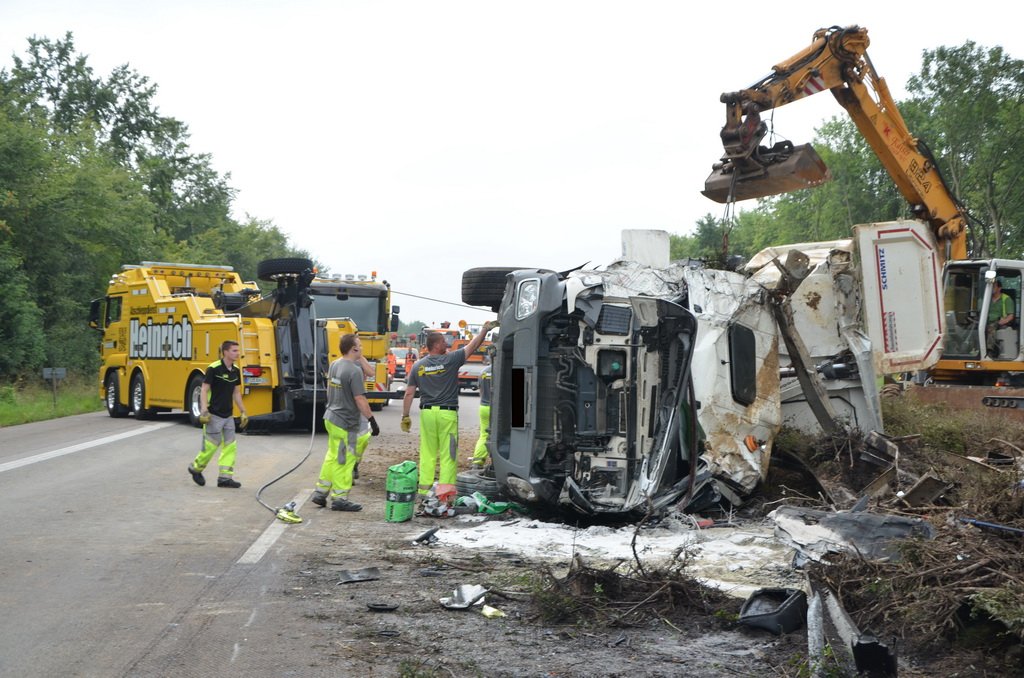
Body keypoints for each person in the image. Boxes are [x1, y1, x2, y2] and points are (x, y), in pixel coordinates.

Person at [402, 320, 497, 507]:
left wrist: (405, 415)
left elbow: (409, 392)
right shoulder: (450, 360)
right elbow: (473, 346)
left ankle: (424, 492)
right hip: (447, 414)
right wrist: (484, 330)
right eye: (444, 342)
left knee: (428, 453)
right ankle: (444, 496)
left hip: (427, 414)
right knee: (448, 454)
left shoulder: (418, 366)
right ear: (436, 345)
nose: (447, 344)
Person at [310, 334, 379, 512]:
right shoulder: (353, 371)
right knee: (345, 459)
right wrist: (371, 419)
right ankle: (340, 498)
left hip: (331, 417)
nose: (362, 348)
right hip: (345, 422)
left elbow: (329, 391)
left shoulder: (335, 365)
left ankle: (321, 492)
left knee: (332, 455)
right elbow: (360, 399)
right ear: (353, 349)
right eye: (360, 346)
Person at [189, 340, 248, 488]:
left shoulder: (235, 370)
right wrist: (204, 410)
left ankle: (225, 478)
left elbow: (236, 392)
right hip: (213, 414)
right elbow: (204, 389)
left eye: (237, 350)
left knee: (230, 445)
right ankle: (196, 468)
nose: (237, 353)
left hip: (228, 415)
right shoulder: (213, 368)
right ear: (226, 352)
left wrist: (243, 411)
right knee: (211, 445)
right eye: (234, 350)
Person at [471, 356, 493, 469]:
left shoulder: (483, 372)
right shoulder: (502, 370)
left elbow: (481, 391)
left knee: (484, 434)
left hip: (484, 406)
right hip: (497, 409)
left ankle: (477, 461)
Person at [987, 278, 1016, 357]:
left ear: (999, 288)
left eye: (994, 286)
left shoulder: (1007, 299)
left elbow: (1010, 316)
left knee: (991, 328)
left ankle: (989, 351)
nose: (991, 288)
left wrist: (1002, 321)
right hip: (986, 321)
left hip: (999, 321)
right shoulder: (986, 298)